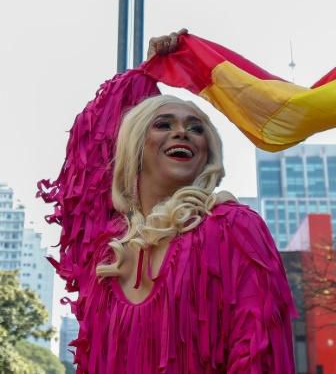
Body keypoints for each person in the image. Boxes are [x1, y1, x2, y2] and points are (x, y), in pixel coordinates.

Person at [42, 31, 296, 373]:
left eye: (196, 128)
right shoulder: (106, 253)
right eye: (163, 124)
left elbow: (259, 356)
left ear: (207, 151)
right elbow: (86, 162)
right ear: (133, 148)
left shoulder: (234, 228)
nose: (182, 132)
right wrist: (144, 75)